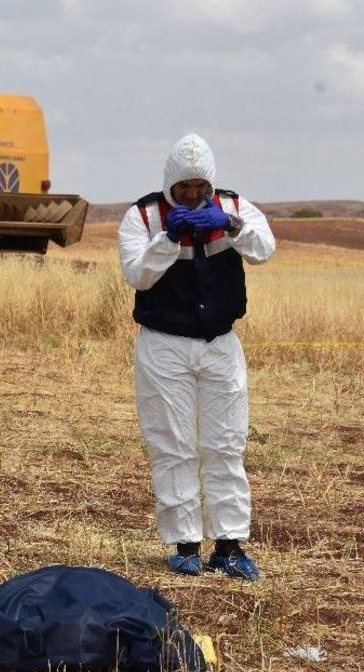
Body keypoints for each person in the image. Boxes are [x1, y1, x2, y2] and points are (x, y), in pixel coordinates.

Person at [117, 133, 276, 581]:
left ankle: (229, 545)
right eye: (183, 187)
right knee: (173, 444)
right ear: (170, 184)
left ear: (210, 183)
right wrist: (170, 239)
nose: (191, 194)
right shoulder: (144, 216)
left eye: (199, 186)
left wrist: (230, 225)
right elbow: (137, 275)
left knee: (226, 444)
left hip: (221, 343)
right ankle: (185, 545)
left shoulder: (232, 207)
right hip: (164, 344)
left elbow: (265, 250)